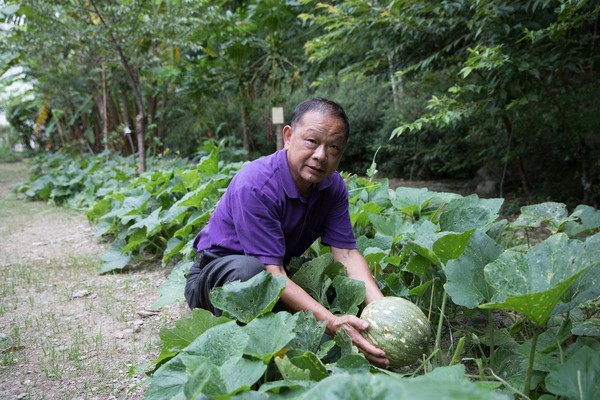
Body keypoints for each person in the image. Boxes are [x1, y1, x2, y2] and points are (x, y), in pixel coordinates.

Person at [184, 97, 388, 367]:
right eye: (312, 141)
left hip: (272, 275)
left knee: (284, 298)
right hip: (215, 280)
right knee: (252, 273)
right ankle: (236, 355)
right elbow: (272, 274)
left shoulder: (332, 186)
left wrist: (384, 312)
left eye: (333, 148)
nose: (320, 156)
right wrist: (332, 322)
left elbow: (348, 254)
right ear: (289, 136)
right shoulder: (256, 184)